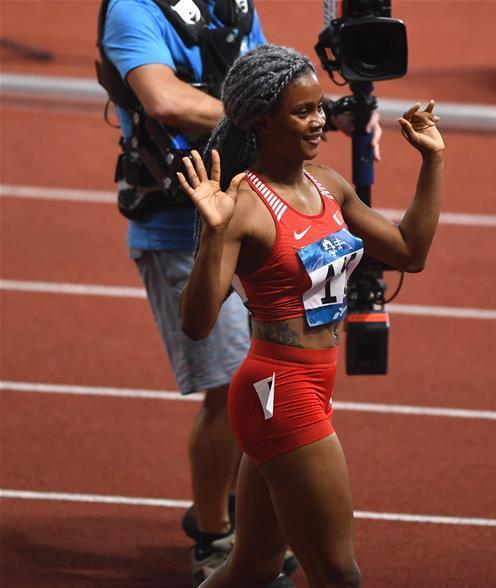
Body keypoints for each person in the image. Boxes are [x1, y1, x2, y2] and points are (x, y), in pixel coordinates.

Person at [98, 1, 381, 585]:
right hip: (180, 226)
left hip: (259, 220)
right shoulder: (133, 9)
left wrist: (322, 115)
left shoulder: (233, 4)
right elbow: (163, 99)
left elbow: (270, 76)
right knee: (229, 382)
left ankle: (252, 537)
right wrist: (285, 114)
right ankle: (212, 533)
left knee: (256, 385)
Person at [175, 43, 444, 587]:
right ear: (262, 121)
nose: (320, 119)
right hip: (279, 390)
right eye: (303, 111)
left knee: (253, 566)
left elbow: (409, 252)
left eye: (319, 106)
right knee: (338, 573)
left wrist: (432, 161)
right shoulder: (244, 204)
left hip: (312, 384)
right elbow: (197, 324)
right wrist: (215, 234)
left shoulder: (327, 184)